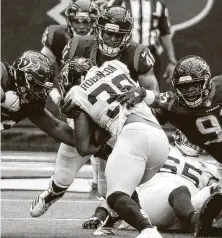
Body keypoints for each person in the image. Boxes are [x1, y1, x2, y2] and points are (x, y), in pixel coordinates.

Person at [30, 5, 159, 219]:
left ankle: (114, 215)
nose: (111, 39)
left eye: (118, 35)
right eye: (108, 33)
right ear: (98, 30)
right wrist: (61, 98)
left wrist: (141, 93)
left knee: (107, 184)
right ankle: (53, 192)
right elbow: (59, 77)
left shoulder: (137, 53)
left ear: (127, 36)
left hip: (115, 120)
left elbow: (154, 91)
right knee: (64, 174)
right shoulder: (77, 45)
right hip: (83, 116)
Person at [62, 57, 169, 238]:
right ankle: (112, 221)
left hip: (134, 136)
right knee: (123, 182)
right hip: (159, 138)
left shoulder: (75, 92)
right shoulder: (115, 66)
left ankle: (148, 230)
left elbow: (83, 148)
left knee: (115, 194)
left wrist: (71, 114)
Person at [114, 55, 222, 233]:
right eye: (184, 87)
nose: (190, 92)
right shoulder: (175, 105)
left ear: (206, 82)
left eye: (194, 85)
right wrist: (139, 93)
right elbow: (156, 100)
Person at [83, 130, 222, 237]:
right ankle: (197, 222)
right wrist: (99, 215)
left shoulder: (210, 167)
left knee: (217, 190)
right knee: (179, 189)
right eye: (190, 135)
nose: (193, 140)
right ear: (178, 134)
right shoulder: (162, 149)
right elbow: (123, 187)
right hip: (153, 202)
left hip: (189, 208)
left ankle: (200, 223)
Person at [39, 0, 101, 204]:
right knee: (77, 137)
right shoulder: (57, 36)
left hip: (97, 93)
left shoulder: (102, 40)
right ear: (68, 20)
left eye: (87, 21)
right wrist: (57, 98)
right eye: (77, 20)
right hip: (69, 93)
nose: (82, 25)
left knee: (100, 134)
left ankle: (99, 181)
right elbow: (42, 71)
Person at [1, 50, 75, 146]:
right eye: (37, 87)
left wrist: (93, 144)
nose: (40, 94)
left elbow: (56, 127)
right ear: (24, 78)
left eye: (43, 90)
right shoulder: (4, 72)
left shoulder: (29, 103)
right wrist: (3, 97)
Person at [108, 0, 177, 90]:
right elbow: (106, 29)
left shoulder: (158, 4)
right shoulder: (118, 2)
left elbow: (165, 32)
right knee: (122, 91)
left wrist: (172, 61)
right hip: (123, 54)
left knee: (151, 93)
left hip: (150, 55)